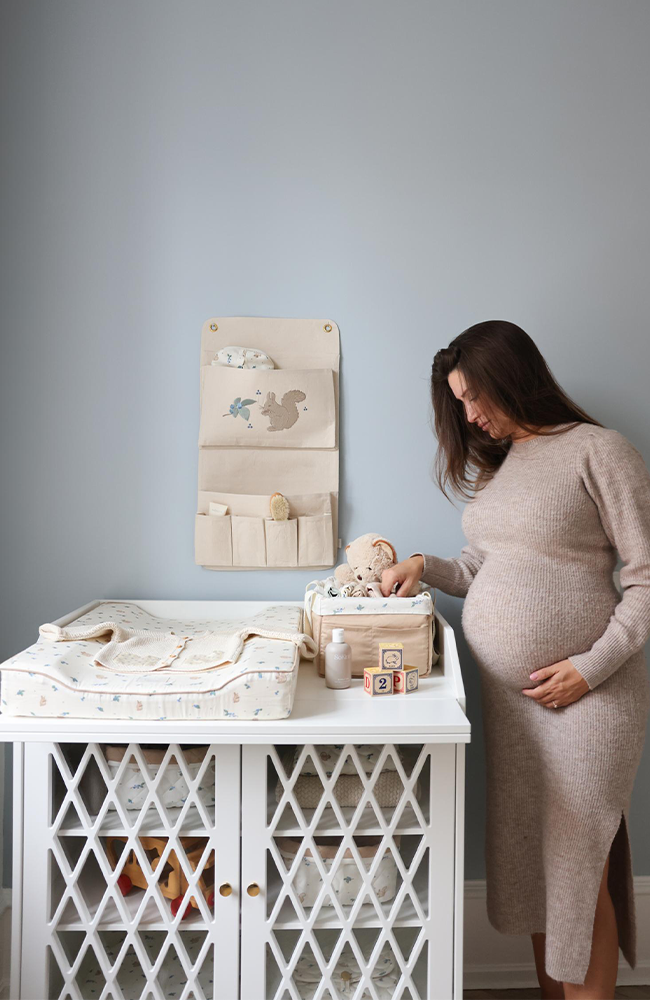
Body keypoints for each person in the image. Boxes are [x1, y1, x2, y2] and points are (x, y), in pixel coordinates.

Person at [380, 320, 650, 1000]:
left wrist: (591, 667)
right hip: (514, 706)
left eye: (475, 395)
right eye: (459, 402)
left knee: (577, 869)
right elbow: (485, 566)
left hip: (589, 696)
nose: (470, 414)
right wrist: (424, 566)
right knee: (534, 869)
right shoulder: (499, 469)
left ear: (511, 375)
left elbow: (647, 577)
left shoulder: (599, 451)